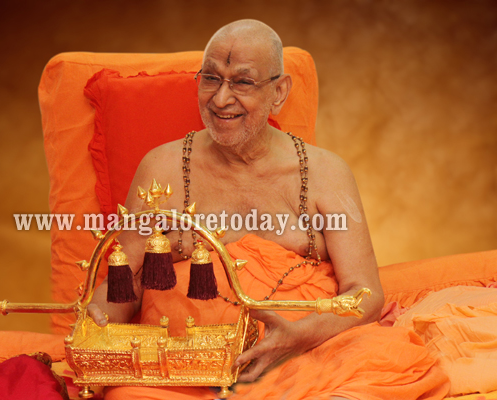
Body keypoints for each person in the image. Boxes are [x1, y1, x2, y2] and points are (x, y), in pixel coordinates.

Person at [88, 19, 449, 399]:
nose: (221, 98)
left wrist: (297, 336)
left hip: (315, 355)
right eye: (210, 78)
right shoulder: (161, 168)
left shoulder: (326, 173)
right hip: (184, 370)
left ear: (279, 92)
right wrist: (97, 326)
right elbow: (121, 281)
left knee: (381, 373)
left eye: (242, 82)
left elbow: (364, 293)